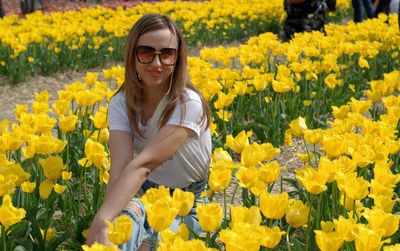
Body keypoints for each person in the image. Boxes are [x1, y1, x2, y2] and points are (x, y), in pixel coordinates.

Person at [86, 14, 212, 251]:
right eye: (146, 52)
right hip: (143, 193)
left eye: (166, 54)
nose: (157, 64)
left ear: (178, 58)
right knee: (118, 234)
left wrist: (102, 220)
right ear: (132, 55)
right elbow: (121, 168)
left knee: (148, 246)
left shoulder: (188, 103)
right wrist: (105, 223)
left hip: (187, 202)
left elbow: (144, 165)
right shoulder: (121, 104)